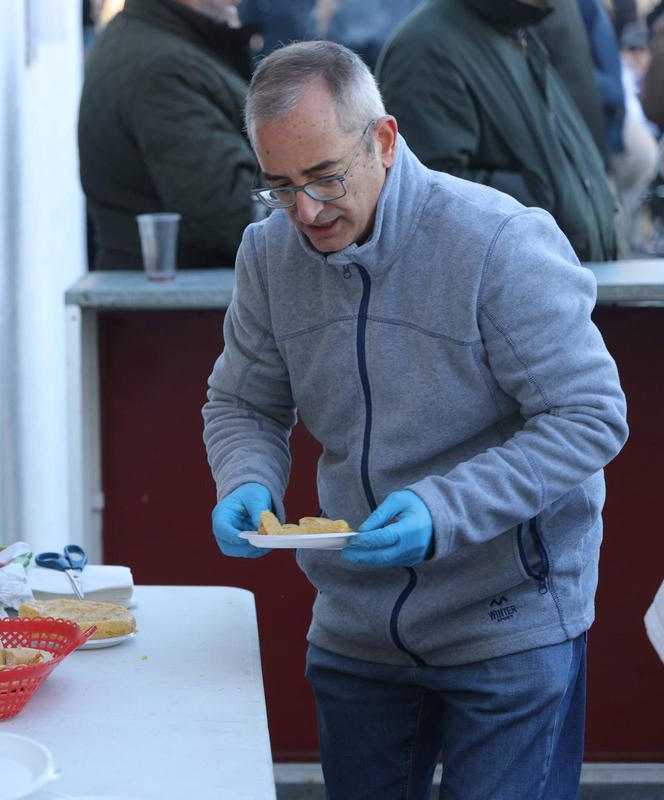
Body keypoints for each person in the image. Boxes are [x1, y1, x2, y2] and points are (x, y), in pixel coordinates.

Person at [203, 40, 628, 799]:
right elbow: (244, 401)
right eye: (279, 187)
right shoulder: (268, 255)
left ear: (385, 140)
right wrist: (245, 475)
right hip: (355, 625)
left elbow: (589, 415)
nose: (306, 211)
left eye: (325, 177)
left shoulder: (497, 241)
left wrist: (445, 509)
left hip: (509, 618)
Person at [375, 0, 618, 262]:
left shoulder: (515, 30)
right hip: (514, 293)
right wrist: (543, 195)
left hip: (562, 286)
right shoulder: (425, 46)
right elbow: (424, 198)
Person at [78, 0, 259, 270]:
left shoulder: (160, 41)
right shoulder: (160, 67)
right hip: (177, 299)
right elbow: (229, 215)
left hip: (170, 290)